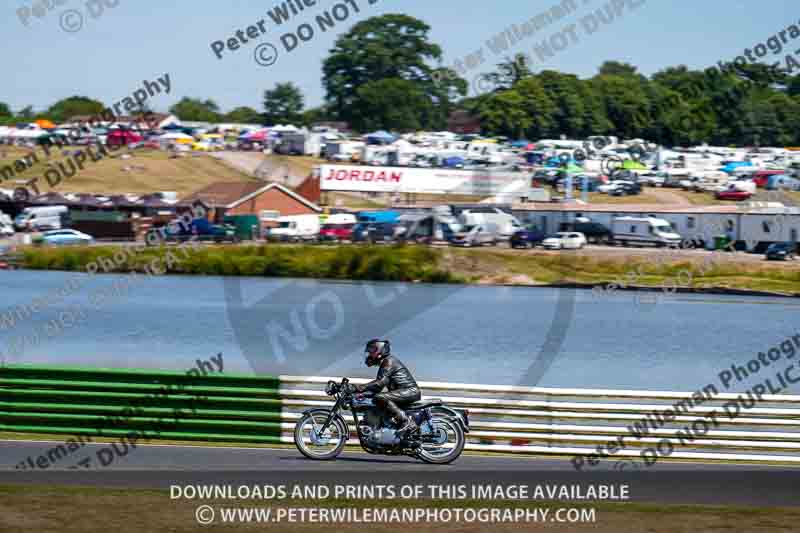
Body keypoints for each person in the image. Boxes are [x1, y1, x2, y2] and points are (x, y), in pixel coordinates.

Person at [353, 339, 421, 437]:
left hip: (409, 391)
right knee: (376, 398)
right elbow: (377, 388)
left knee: (380, 397)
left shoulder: (389, 361)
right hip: (404, 392)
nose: (369, 355)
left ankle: (406, 421)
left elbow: (379, 383)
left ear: (380, 350)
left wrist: (358, 388)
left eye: (372, 351)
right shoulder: (384, 364)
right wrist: (360, 394)